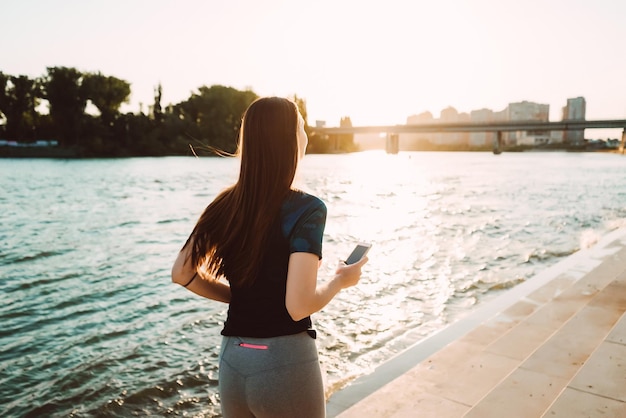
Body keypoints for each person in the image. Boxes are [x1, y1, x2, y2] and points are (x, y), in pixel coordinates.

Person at [171, 96, 368, 418]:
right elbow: (298, 306)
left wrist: (242, 298)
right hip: (283, 361)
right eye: (301, 127)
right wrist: (340, 281)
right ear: (290, 139)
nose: (305, 135)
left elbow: (182, 273)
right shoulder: (307, 209)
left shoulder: (224, 204)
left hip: (234, 358)